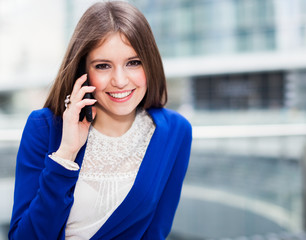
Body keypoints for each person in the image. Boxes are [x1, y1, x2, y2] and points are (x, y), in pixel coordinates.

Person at [8, 1, 192, 239]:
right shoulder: (44, 127)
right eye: (103, 66)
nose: (120, 80)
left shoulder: (175, 132)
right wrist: (66, 154)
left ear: (150, 62)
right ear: (83, 71)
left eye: (133, 62)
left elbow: (156, 231)